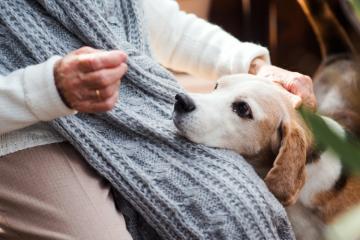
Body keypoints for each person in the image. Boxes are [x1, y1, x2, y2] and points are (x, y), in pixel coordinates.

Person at [0, 0, 316, 239]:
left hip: (136, 107)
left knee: (240, 208)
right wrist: (48, 88)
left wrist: (253, 66)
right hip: (27, 131)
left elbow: (166, 26)